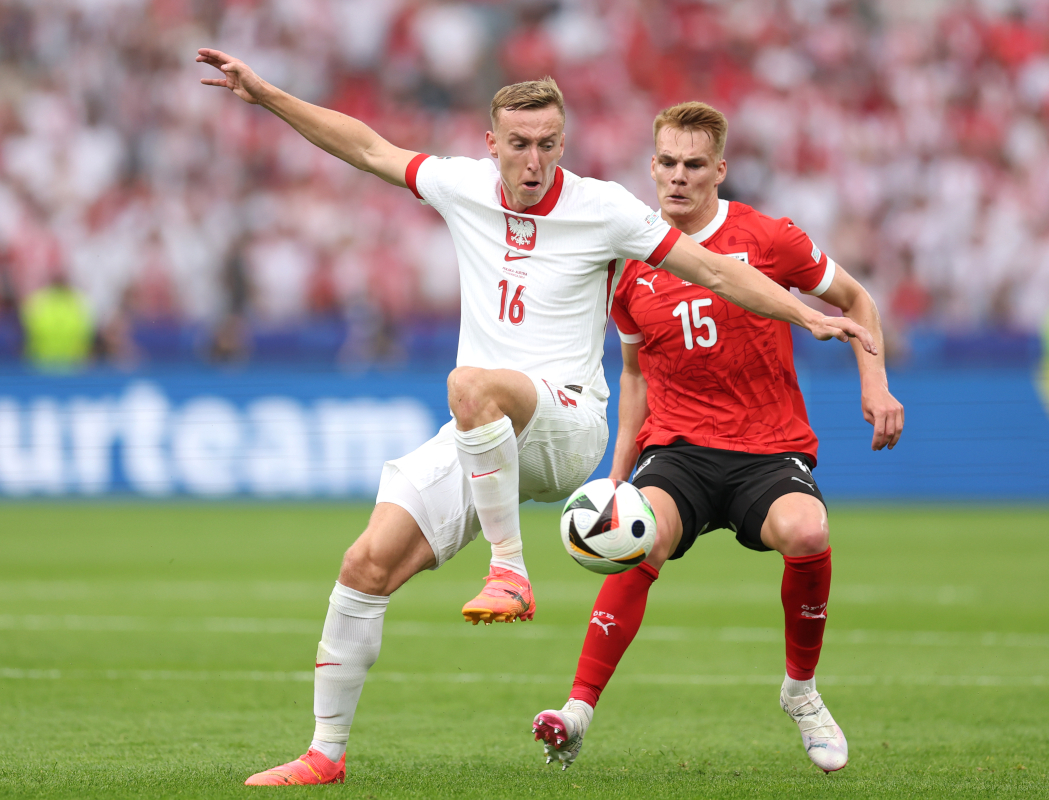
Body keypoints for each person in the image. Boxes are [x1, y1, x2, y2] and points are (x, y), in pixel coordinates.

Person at [198, 50, 876, 786]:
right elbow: (365, 146)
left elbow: (717, 269)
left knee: (470, 384)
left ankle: (511, 571)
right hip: (483, 430)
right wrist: (266, 94)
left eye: (547, 144)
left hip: (564, 425)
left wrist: (805, 316)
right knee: (366, 564)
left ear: (565, 144)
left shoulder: (605, 209)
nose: (533, 160)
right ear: (491, 143)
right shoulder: (461, 186)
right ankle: (325, 752)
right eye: (518, 144)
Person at [531, 102, 904, 774]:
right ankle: (578, 710)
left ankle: (801, 692)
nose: (678, 176)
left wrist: (873, 386)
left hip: (768, 447)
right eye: (668, 163)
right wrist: (617, 479)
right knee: (640, 539)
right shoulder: (629, 262)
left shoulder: (769, 238)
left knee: (808, 533)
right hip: (678, 452)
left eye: (694, 164)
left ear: (719, 170)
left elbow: (856, 300)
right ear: (652, 167)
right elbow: (635, 378)